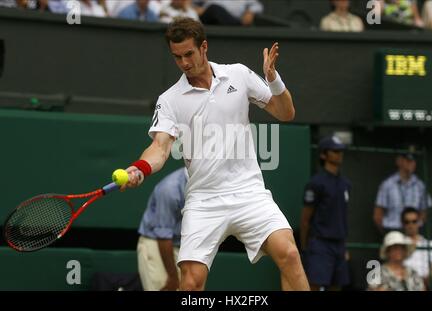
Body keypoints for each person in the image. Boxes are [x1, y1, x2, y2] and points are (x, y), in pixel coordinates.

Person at [121, 17, 310, 291]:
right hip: (204, 200)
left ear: (204, 47)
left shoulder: (239, 75)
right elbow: (160, 148)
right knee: (191, 282)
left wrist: (273, 80)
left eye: (189, 54)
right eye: (177, 57)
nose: (184, 63)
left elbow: (286, 113)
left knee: (290, 254)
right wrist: (140, 168)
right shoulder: (170, 100)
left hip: (249, 193)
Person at [300, 136, 351, 291]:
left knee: (337, 285)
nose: (339, 154)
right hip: (320, 242)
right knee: (314, 284)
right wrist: (305, 249)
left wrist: (344, 246)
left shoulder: (345, 184)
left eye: (340, 151)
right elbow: (305, 219)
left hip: (339, 243)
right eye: (335, 151)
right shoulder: (316, 183)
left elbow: (342, 216)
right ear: (323, 155)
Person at [137, 167, 187, 291]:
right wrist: (173, 277)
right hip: (157, 245)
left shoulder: (209, 182)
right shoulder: (170, 189)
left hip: (183, 246)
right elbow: (163, 237)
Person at [373, 145, 432, 234]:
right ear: (399, 161)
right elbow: (377, 215)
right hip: (393, 231)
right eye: (408, 160)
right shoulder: (387, 184)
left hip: (413, 234)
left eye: (413, 161)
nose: (411, 163)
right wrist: (387, 233)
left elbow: (424, 212)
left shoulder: (420, 186)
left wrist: (414, 226)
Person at [401, 207, 432, 287]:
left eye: (414, 221)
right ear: (402, 224)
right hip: (403, 284)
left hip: (426, 285)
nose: (411, 225)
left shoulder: (431, 244)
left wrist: (423, 283)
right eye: (407, 222)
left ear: (419, 222)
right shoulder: (398, 245)